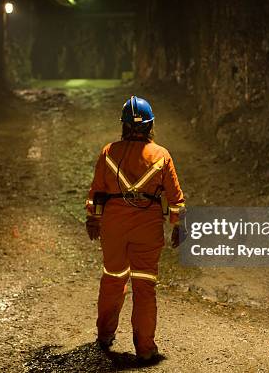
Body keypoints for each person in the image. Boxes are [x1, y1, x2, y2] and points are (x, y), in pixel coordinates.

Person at [85, 95, 186, 362]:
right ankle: (144, 349)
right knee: (144, 287)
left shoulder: (109, 152)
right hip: (147, 229)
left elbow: (96, 193)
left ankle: (105, 335)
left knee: (112, 280)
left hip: (114, 228)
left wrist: (93, 219)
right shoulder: (161, 155)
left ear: (124, 125)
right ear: (150, 125)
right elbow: (175, 199)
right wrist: (178, 225)